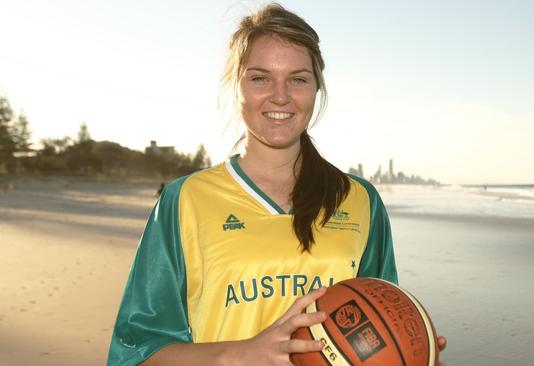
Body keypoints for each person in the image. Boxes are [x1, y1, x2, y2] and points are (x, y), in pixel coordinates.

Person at [108, 3, 445, 365]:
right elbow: (137, 353)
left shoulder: (360, 200)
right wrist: (242, 353)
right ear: (236, 85)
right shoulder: (185, 200)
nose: (280, 96)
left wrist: (410, 353)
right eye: (260, 77)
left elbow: (382, 323)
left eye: (298, 78)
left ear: (317, 88)